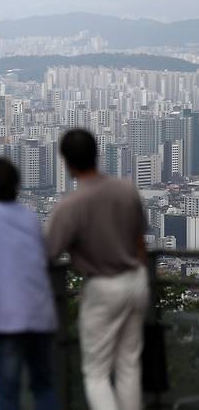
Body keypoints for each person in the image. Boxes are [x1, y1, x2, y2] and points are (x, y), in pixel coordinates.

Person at [47, 129, 149, 410]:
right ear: (97, 154)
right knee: (129, 365)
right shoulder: (126, 189)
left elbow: (48, 253)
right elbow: (140, 241)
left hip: (104, 287)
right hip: (136, 279)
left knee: (96, 373)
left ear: (66, 162)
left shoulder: (71, 206)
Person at [0, 157, 60, 410]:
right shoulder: (29, 216)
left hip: (4, 320)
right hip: (39, 315)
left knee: (6, 394)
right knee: (45, 386)